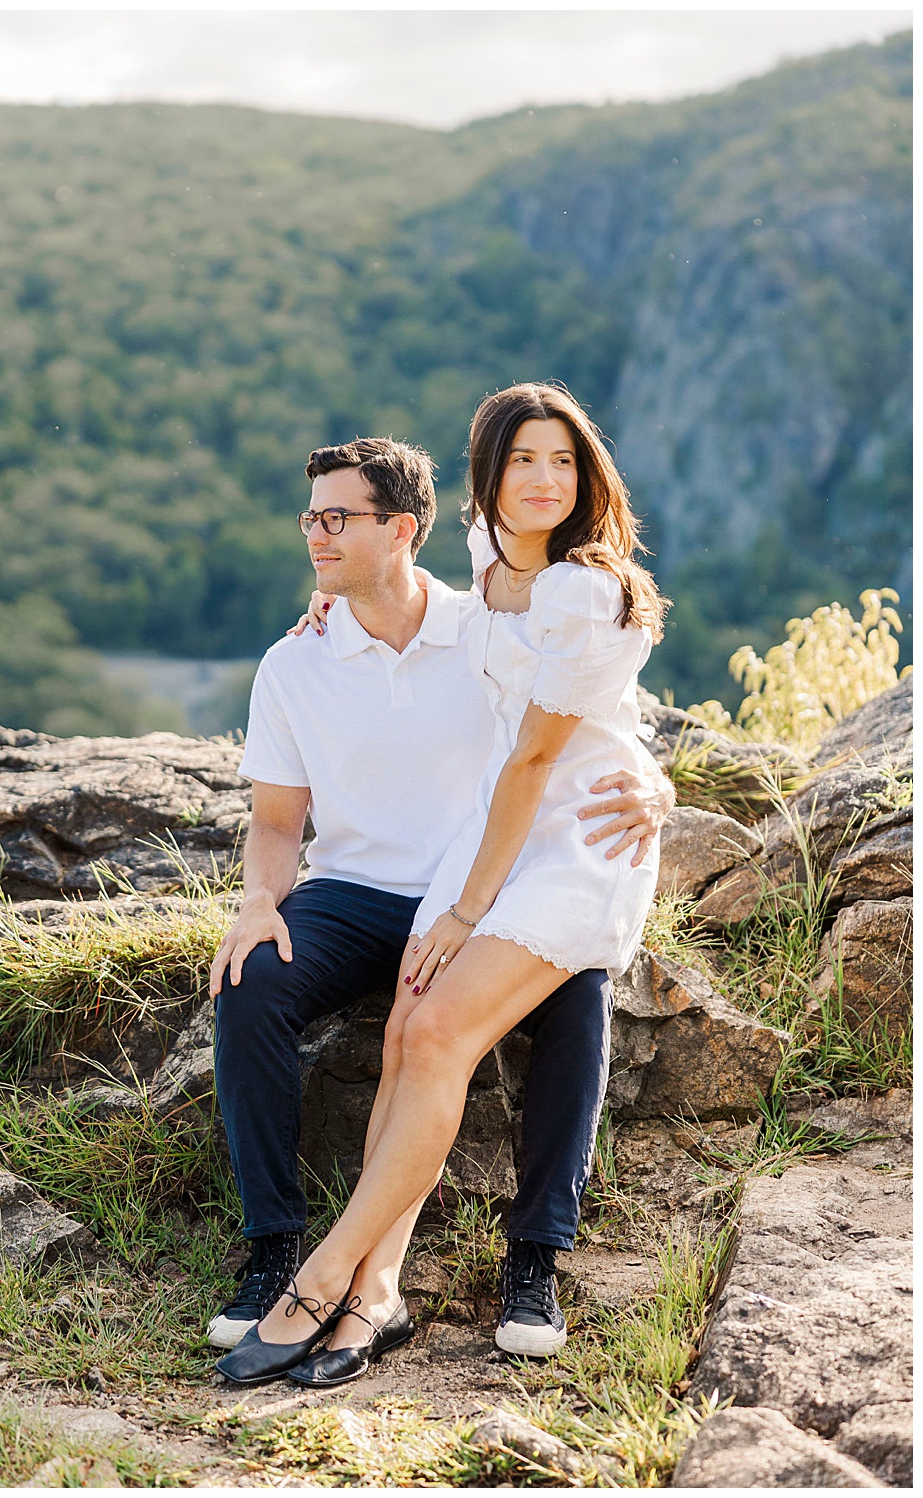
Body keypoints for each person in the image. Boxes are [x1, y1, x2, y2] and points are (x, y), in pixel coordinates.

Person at [209, 414, 669, 1387]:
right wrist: (258, 901)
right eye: (309, 520)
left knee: (576, 999)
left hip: (484, 886)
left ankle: (530, 1258)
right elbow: (277, 822)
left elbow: (590, 714)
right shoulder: (296, 656)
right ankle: (276, 1254)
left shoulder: (486, 620)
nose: (316, 536)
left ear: (403, 528)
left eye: (339, 519)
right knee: (251, 976)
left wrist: (658, 788)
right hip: (362, 891)